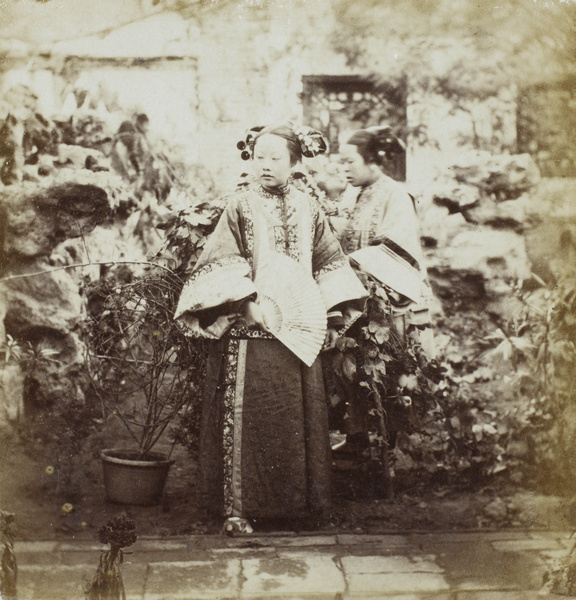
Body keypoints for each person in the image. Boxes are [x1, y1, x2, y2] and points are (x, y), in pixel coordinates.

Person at [174, 123, 367, 534]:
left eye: (275, 158)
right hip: (250, 331)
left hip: (299, 334)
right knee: (249, 417)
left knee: (297, 418)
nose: (265, 165)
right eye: (259, 156)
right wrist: (245, 303)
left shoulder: (309, 208)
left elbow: (329, 262)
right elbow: (221, 260)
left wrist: (330, 317)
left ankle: (301, 508)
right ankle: (238, 510)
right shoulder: (240, 207)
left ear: (295, 163)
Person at [330, 126, 434, 455]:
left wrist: (357, 268)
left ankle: (389, 448)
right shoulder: (353, 194)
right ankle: (357, 438)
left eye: (349, 162)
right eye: (340, 163)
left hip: (390, 298)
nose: (343, 169)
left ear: (373, 161)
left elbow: (397, 246)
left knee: (386, 369)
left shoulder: (395, 195)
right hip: (355, 297)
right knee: (352, 368)